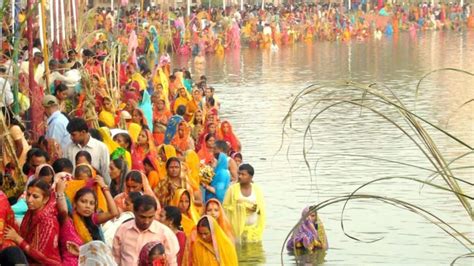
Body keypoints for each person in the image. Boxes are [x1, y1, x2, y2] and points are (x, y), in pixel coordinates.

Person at [4, 179, 62, 264]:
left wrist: (17, 239)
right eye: (28, 195)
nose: (29, 200)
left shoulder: (48, 222)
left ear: (45, 199)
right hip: (28, 258)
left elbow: (42, 256)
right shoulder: (31, 212)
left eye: (35, 196)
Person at [113, 194, 180, 265]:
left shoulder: (165, 234)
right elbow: (115, 260)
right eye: (142, 217)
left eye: (150, 217)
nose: (146, 221)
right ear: (134, 212)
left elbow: (171, 262)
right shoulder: (123, 230)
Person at [223, 163, 265, 243]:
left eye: (243, 174)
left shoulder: (257, 190)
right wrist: (239, 207)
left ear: (250, 177)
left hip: (253, 231)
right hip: (236, 231)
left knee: (254, 254)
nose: (240, 176)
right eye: (239, 174)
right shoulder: (232, 190)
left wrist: (255, 209)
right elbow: (224, 208)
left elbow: (261, 210)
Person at [65, 117, 111, 184]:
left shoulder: (101, 148)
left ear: (83, 132)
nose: (71, 138)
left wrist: (106, 189)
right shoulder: (68, 148)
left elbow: (106, 172)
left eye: (73, 135)